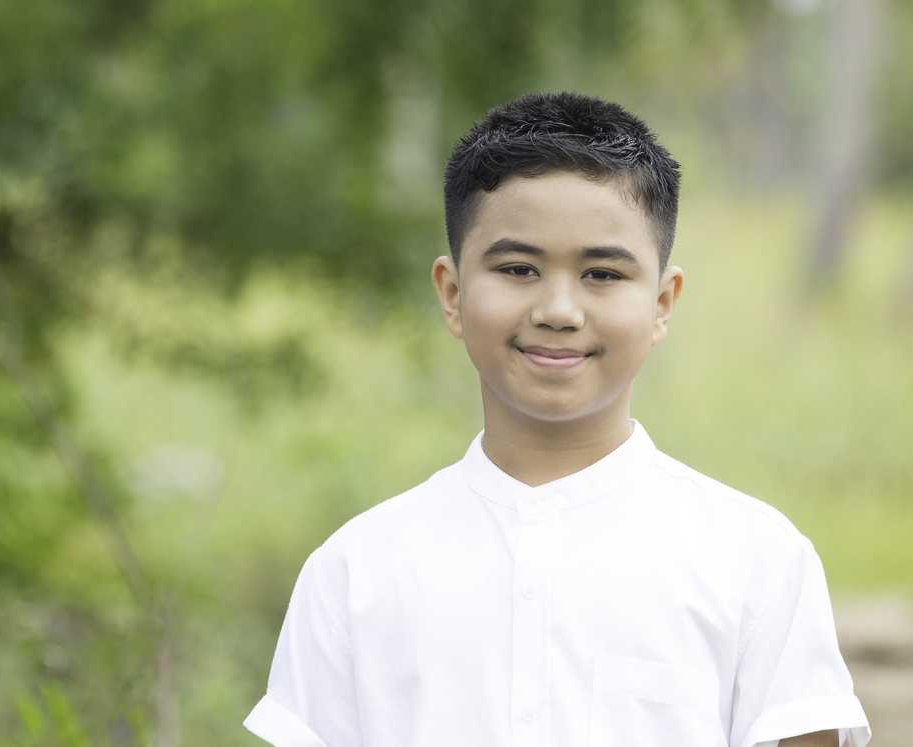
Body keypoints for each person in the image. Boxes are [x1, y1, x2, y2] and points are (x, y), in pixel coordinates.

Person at [242, 91, 871, 747]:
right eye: (518, 268)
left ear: (662, 301)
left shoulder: (757, 559)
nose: (560, 309)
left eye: (601, 273)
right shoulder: (356, 571)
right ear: (453, 295)